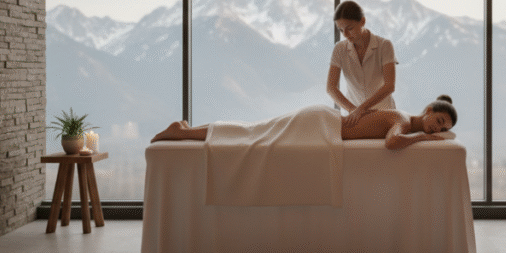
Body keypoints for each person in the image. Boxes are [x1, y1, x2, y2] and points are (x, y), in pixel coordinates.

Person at [151, 95, 457, 151]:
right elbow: (392, 143)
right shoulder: (402, 119)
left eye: (442, 129)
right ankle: (184, 132)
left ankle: (187, 129)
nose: (437, 129)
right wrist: (424, 139)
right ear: (428, 109)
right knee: (253, 134)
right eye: (438, 121)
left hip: (321, 122)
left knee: (254, 131)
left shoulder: (403, 118)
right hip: (320, 124)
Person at [327, 0, 398, 129]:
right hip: (354, 118)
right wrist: (352, 109)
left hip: (384, 114)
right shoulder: (339, 49)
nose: (345, 35)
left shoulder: (384, 45)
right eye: (341, 30)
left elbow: (389, 86)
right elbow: (331, 88)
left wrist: (361, 109)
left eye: (350, 28)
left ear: (363, 21)